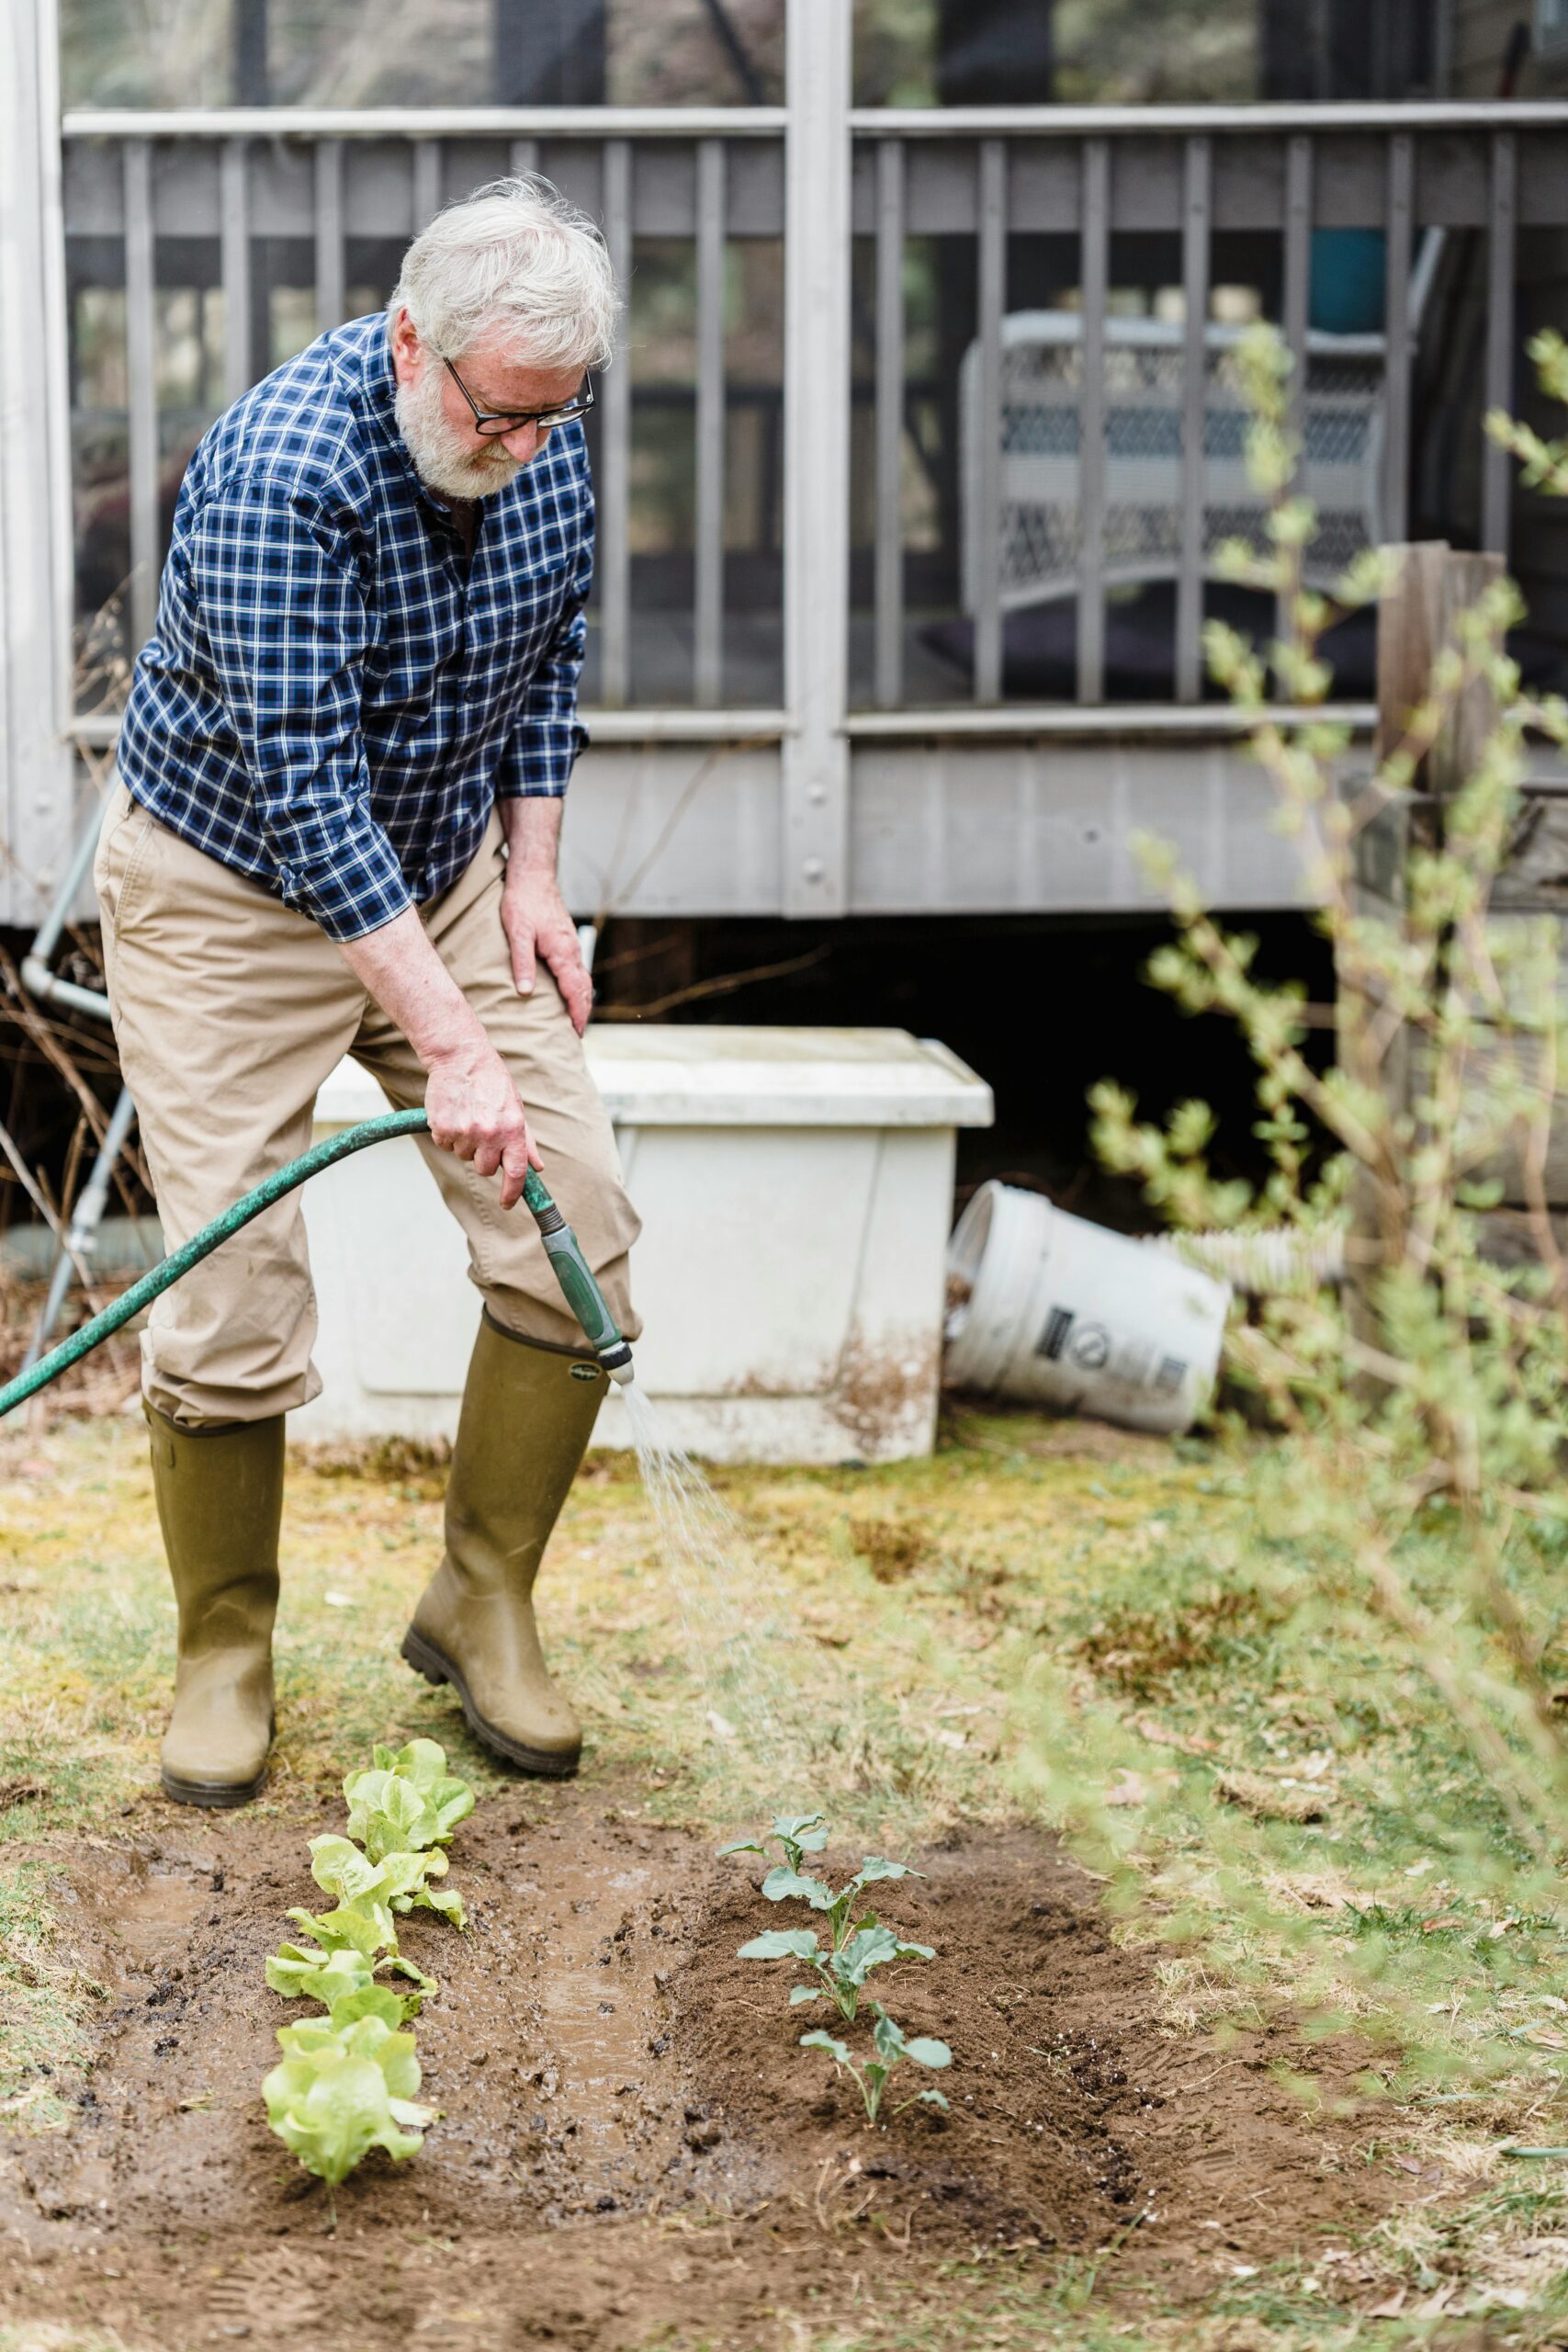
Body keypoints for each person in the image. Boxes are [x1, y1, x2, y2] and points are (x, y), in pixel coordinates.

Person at [95, 175, 639, 1809]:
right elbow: (309, 799)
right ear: (412, 342)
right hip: (228, 892)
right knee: (231, 1294)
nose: (534, 449)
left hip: (452, 870)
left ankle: (482, 1600)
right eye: (505, 416)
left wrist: (533, 879)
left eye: (562, 417)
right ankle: (227, 1652)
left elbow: (554, 652)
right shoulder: (279, 473)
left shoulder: (534, 415)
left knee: (581, 1232)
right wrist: (452, 1042)